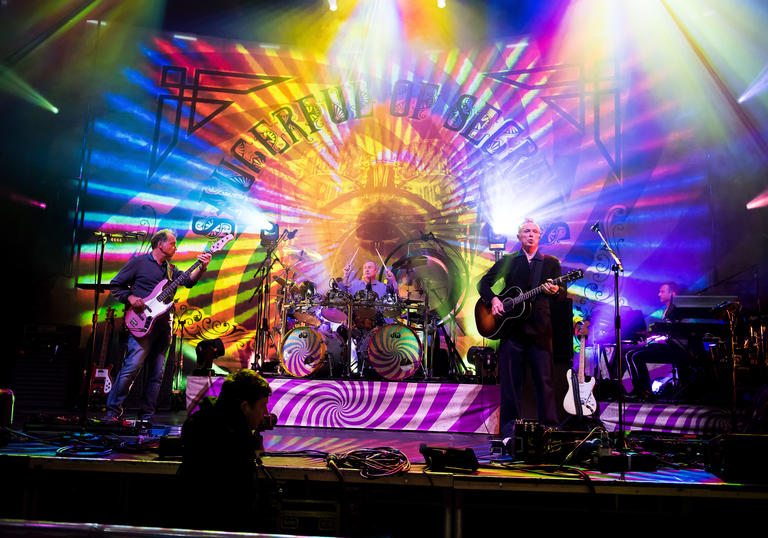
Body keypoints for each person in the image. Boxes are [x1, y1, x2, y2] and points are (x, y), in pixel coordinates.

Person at [107, 229, 211, 422]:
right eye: (172, 243)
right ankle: (113, 413)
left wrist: (202, 267)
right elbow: (116, 285)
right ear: (160, 244)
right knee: (131, 367)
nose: (175, 246)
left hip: (163, 327)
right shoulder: (139, 262)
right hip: (141, 324)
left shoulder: (171, 269)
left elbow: (189, 281)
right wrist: (130, 297)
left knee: (156, 374)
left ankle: (146, 417)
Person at [477, 219, 563, 437]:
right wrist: (493, 300)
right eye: (526, 231)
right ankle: (509, 434)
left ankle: (549, 432)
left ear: (540, 236)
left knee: (545, 383)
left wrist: (554, 291)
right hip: (511, 331)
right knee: (510, 385)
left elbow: (561, 294)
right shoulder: (509, 261)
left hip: (540, 331)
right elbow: (483, 284)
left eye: (535, 232)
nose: (531, 235)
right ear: (518, 236)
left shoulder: (551, 263)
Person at [179, 369, 272, 531]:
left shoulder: (197, 422)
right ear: (244, 407)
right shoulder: (237, 440)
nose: (265, 413)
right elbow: (242, 502)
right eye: (263, 405)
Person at [625, 281, 694, 400]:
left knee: (635, 356)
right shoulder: (664, 312)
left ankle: (644, 391)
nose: (659, 294)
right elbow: (665, 332)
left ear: (672, 293)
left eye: (662, 291)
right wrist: (648, 333)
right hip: (668, 347)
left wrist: (660, 331)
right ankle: (640, 390)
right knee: (630, 354)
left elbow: (682, 331)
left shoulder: (680, 310)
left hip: (678, 349)